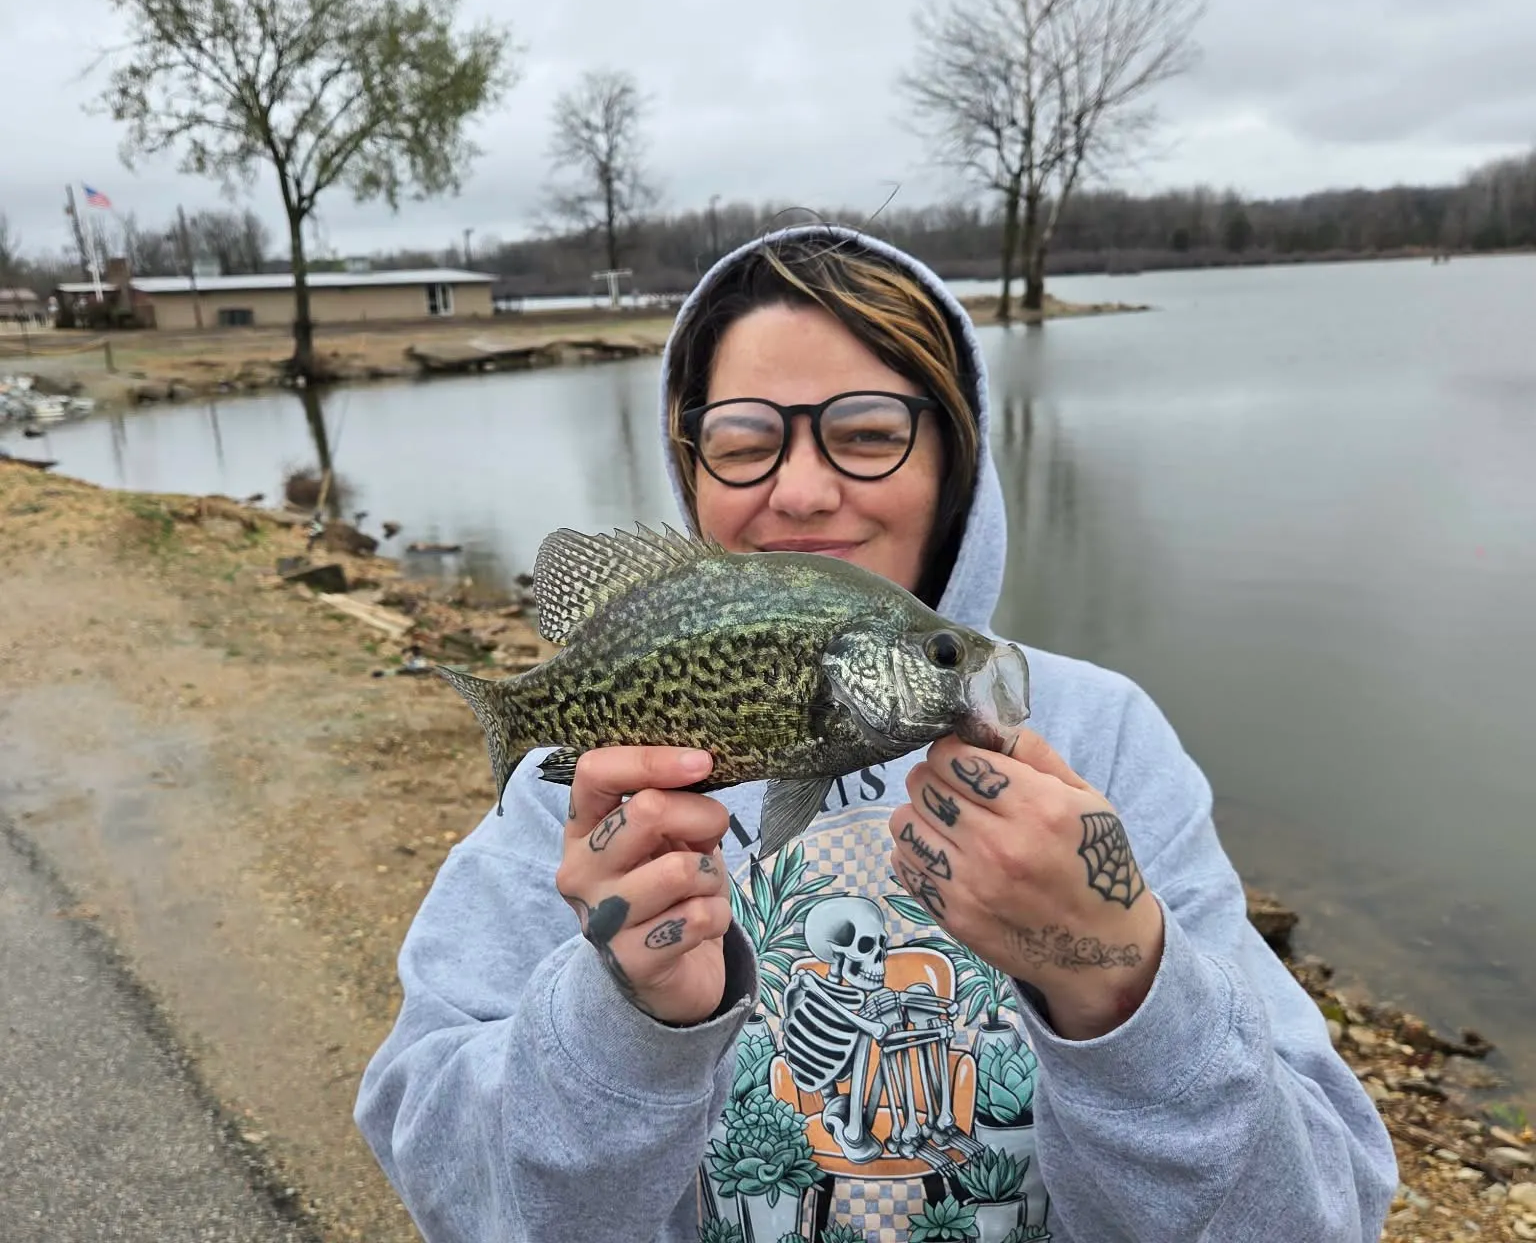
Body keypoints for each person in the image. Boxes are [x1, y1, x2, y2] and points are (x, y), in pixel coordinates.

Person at [356, 224, 1397, 1242]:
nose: (802, 490)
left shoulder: (1105, 741)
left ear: (955, 460)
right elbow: (459, 1192)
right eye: (743, 441)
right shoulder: (596, 787)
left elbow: (1325, 1212)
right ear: (693, 468)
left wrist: (1118, 979)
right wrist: (621, 1023)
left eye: (865, 433)